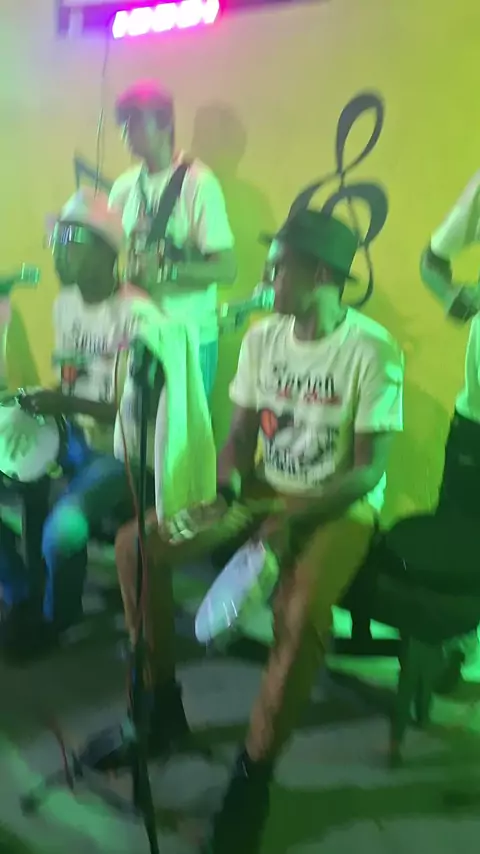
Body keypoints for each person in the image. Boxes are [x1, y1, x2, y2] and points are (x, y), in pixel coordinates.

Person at [87, 209, 404, 853]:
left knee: (299, 613)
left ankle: (252, 776)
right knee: (135, 547)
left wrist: (290, 519)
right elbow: (237, 437)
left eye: (279, 267)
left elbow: (368, 471)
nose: (267, 278)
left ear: (322, 275)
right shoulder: (262, 339)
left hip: (337, 505)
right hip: (262, 489)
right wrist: (227, 491)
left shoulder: (371, 349)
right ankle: (159, 709)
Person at [0, 188, 160, 654]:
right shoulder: (65, 304)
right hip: (72, 437)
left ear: (106, 252)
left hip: (123, 451)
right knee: (22, 468)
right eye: (57, 238)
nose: (58, 251)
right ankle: (23, 593)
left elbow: (135, 410)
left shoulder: (138, 315)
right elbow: (72, 379)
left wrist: (60, 403)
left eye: (71, 240)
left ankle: (57, 618)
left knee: (62, 531)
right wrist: (35, 399)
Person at [108, 80, 237, 400]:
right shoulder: (124, 188)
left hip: (189, 338)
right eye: (124, 123)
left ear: (166, 124)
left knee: (185, 432)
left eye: (137, 122)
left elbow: (227, 269)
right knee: (135, 430)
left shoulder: (200, 183)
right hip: (140, 336)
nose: (127, 131)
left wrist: (168, 272)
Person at [420, 171, 480, 689]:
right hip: (476, 417)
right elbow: (432, 258)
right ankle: (450, 646)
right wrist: (452, 295)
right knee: (455, 542)